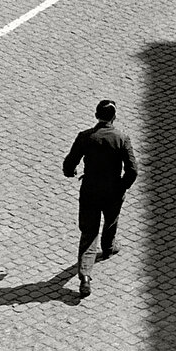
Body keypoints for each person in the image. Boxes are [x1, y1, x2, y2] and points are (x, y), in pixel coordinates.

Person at [63, 99, 138, 298]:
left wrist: (70, 172)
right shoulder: (122, 138)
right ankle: (108, 247)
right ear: (114, 117)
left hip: (90, 191)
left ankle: (85, 276)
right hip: (112, 191)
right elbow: (132, 170)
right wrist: (121, 187)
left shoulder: (85, 137)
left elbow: (69, 163)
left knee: (89, 233)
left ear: (96, 115)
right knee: (111, 221)